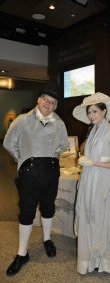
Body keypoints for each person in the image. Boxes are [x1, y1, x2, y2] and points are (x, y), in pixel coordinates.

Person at [3, 85, 68, 276]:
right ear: (38, 100)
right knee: (27, 211)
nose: (48, 104)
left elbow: (63, 145)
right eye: (46, 99)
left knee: (48, 207)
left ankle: (47, 239)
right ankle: (22, 254)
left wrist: (51, 157)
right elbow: (8, 142)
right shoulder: (23, 120)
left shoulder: (60, 123)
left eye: (53, 102)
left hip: (50, 173)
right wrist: (22, 160)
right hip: (29, 175)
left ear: (55, 106)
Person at [72, 92, 110, 275]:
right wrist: (85, 158)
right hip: (90, 179)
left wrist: (93, 163)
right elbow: (87, 151)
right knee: (90, 216)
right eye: (89, 112)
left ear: (104, 111)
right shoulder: (93, 131)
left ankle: (104, 260)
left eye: (94, 112)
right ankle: (91, 259)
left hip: (103, 181)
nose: (91, 116)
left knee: (102, 219)